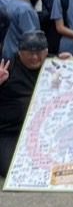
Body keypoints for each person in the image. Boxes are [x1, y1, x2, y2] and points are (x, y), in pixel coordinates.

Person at [0, 30, 49, 176]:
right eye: (29, 53)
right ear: (20, 52)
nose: (35, 57)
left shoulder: (54, 64)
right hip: (11, 131)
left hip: (44, 130)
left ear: (46, 52)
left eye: (39, 52)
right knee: (11, 169)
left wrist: (71, 62)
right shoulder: (6, 66)